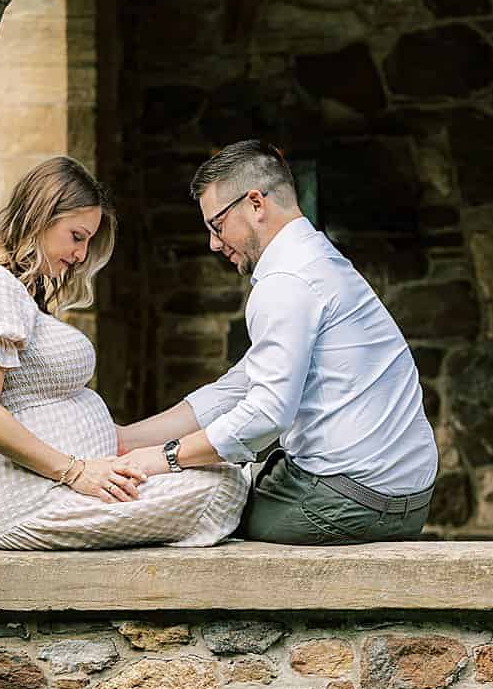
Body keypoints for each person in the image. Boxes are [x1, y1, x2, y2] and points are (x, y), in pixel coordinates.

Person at [115, 140, 438, 543]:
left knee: (188, 503)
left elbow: (267, 413)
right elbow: (237, 388)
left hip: (350, 504)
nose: (214, 243)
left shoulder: (284, 282)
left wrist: (164, 457)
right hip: (405, 500)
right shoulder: (318, 259)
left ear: (255, 203)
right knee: (220, 476)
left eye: (216, 225)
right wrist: (127, 439)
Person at [0, 156, 251, 549]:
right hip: (22, 501)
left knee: (219, 475)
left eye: (88, 241)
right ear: (41, 216)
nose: (82, 255)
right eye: (76, 236)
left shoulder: (17, 294)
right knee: (221, 489)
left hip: (52, 487)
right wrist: (76, 471)